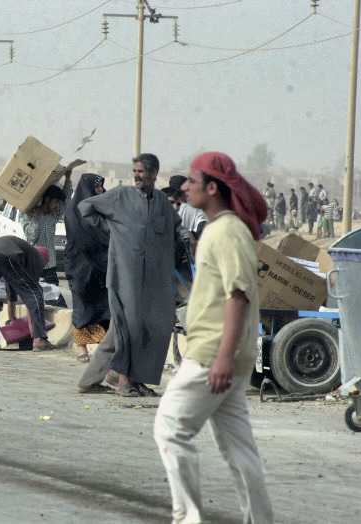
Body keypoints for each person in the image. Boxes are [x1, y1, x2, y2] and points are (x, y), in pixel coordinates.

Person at [154, 151, 273, 524]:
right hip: (222, 354)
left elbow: (238, 295)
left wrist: (222, 357)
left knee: (170, 429)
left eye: (191, 181)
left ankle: (187, 518)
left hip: (212, 355)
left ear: (212, 187)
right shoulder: (218, 228)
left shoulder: (227, 231)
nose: (185, 187)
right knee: (239, 451)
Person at [77, 153, 183, 397]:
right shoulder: (120, 196)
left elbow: (175, 226)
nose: (137, 175)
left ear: (154, 173)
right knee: (130, 325)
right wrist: (111, 229)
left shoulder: (160, 202)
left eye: (142, 171)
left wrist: (187, 234)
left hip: (154, 278)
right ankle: (124, 380)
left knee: (150, 326)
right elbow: (86, 207)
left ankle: (112, 379)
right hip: (125, 274)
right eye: (135, 171)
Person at [0, 236, 52, 351]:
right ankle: (39, 339)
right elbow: (31, 297)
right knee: (36, 291)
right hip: (4, 256)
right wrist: (33, 333)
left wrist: (12, 318)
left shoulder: (21, 253)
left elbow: (10, 288)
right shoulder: (38, 259)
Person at [64, 174, 110, 364]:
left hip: (102, 263)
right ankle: (81, 347)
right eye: (97, 187)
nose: (100, 190)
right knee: (81, 304)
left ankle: (104, 346)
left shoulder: (102, 207)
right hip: (80, 265)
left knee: (105, 304)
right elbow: (80, 236)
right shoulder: (74, 211)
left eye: (101, 187)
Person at [18, 171, 73, 307]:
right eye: (55, 202)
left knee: (57, 302)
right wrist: (35, 219)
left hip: (51, 267)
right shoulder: (28, 215)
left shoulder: (52, 216)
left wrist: (68, 178)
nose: (57, 206)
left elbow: (66, 203)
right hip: (34, 267)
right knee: (36, 302)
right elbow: (32, 236)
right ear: (47, 200)